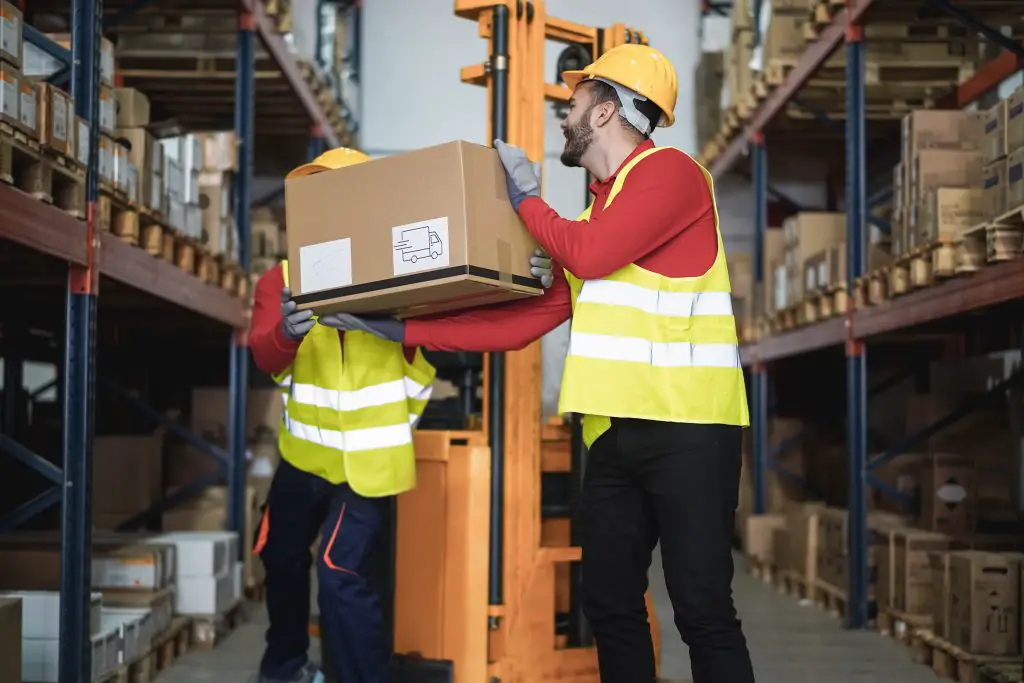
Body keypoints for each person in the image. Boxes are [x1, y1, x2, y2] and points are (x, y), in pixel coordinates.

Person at [321, 45, 756, 683]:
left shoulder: (674, 174)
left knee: (702, 610)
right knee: (608, 603)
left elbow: (593, 253)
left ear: (607, 111)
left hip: (689, 431)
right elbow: (522, 322)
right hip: (611, 436)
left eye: (573, 102)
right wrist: (396, 327)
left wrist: (526, 198)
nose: (563, 114)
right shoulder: (591, 215)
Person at [247, 147, 556, 683]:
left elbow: (479, 299)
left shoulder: (402, 276)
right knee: (280, 556)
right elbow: (263, 356)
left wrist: (536, 267)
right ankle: (286, 669)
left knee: (340, 571)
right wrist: (286, 333)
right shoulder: (282, 280)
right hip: (306, 458)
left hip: (370, 463)